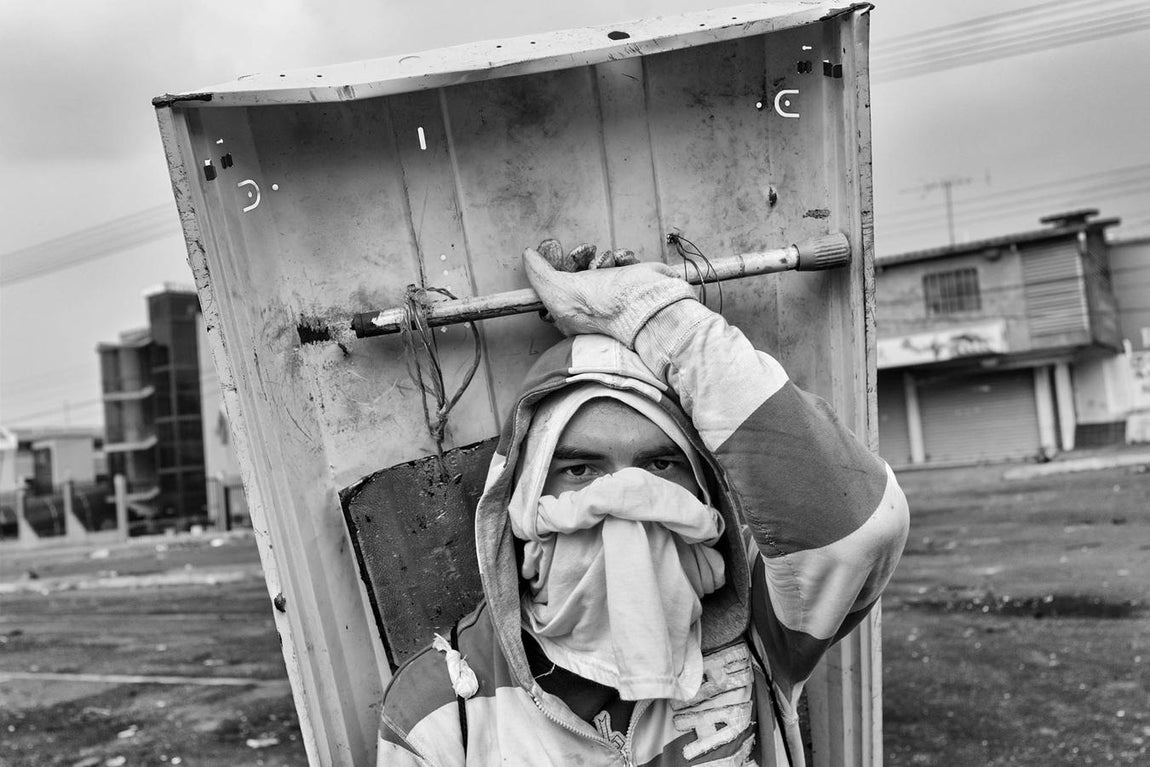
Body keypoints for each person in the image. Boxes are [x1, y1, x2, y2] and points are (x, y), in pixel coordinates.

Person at [377, 242, 910, 766]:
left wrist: (655, 315)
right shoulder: (440, 708)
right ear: (524, 496)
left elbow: (858, 530)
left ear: (703, 489)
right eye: (579, 469)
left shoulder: (758, 628)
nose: (627, 498)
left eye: (660, 466)